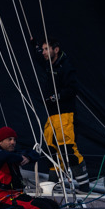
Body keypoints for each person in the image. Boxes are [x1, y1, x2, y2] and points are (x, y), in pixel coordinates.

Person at [37, 38, 90, 191]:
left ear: (56, 50)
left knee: (68, 149)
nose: (43, 52)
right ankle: (53, 185)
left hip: (65, 115)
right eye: (43, 49)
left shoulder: (65, 67)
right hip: (52, 116)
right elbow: (38, 55)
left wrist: (57, 96)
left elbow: (73, 89)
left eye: (46, 49)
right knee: (51, 150)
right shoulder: (49, 64)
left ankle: (84, 188)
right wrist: (34, 45)